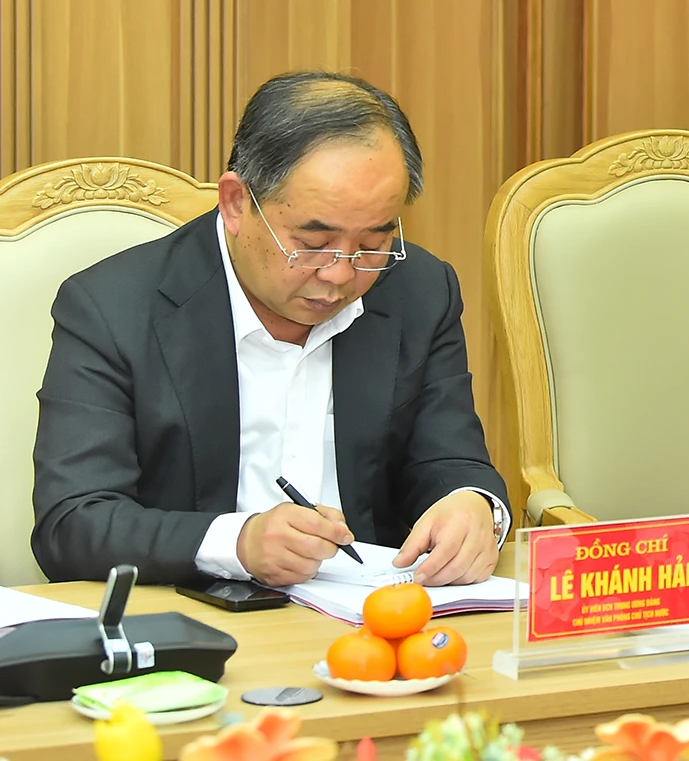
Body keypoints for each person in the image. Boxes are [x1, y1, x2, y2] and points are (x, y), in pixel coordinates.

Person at [32, 72, 510, 585]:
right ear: (237, 202)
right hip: (194, 617)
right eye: (314, 241)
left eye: (373, 242)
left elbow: (450, 457)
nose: (341, 274)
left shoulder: (419, 289)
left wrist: (473, 505)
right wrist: (237, 543)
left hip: (376, 621)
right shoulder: (112, 307)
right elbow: (72, 523)